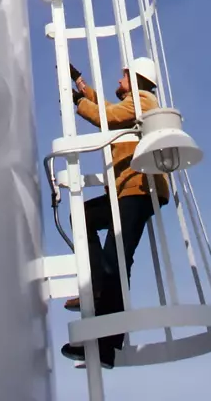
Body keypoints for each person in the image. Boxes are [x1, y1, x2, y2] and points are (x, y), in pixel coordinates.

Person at [61, 57, 168, 370]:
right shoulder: (135, 103)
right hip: (127, 191)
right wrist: (80, 84)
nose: (119, 79)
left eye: (124, 75)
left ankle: (106, 344)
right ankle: (98, 291)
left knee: (116, 262)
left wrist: (77, 101)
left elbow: (107, 116)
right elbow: (108, 108)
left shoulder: (142, 100)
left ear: (135, 79)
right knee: (85, 220)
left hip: (138, 189)